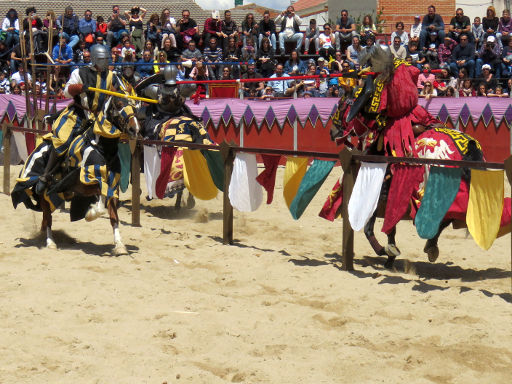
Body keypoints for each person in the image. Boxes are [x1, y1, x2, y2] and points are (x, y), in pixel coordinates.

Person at [36, 44, 121, 193]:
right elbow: (67, 92)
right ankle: (46, 174)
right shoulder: (79, 72)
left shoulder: (110, 76)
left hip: (99, 118)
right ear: (95, 59)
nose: (105, 62)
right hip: (79, 115)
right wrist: (80, 88)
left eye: (106, 59)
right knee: (63, 140)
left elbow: (116, 93)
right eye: (102, 59)